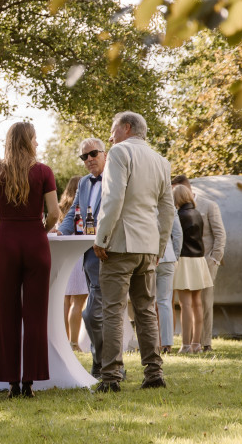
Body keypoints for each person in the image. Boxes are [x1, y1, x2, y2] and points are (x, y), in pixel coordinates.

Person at [93, 112, 175, 392]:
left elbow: (113, 198)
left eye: (113, 129)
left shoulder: (118, 152)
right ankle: (154, 373)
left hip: (121, 244)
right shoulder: (161, 161)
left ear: (127, 128)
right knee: (146, 310)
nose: (110, 136)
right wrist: (160, 246)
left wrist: (101, 238)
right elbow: (167, 210)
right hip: (148, 247)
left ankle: (111, 378)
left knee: (113, 311)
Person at [0, 122, 58, 398]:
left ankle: (11, 383)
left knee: (8, 312)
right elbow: (54, 213)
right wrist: (39, 229)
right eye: (35, 139)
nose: (37, 144)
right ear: (28, 141)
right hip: (35, 241)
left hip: (7, 240)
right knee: (36, 313)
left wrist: (9, 224)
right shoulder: (43, 171)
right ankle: (30, 382)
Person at [57, 138, 108, 378]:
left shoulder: (116, 178)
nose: (89, 159)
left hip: (112, 255)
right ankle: (107, 364)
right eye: (84, 156)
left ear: (104, 153)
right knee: (99, 314)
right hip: (89, 259)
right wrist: (60, 232)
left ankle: (104, 365)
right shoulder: (84, 184)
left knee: (93, 313)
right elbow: (72, 215)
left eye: (93, 154)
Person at [171, 175, 226, 352]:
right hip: (199, 260)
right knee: (198, 304)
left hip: (187, 261)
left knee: (186, 304)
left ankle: (186, 344)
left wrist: (215, 259)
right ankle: (197, 343)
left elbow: (177, 240)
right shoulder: (196, 213)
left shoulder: (181, 215)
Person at [57, 176, 88, 351]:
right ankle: (74, 343)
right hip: (79, 257)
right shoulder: (81, 208)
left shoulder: (62, 209)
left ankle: (65, 340)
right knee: (78, 302)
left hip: (65, 258)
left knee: (66, 301)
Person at [157, 214, 183, 354]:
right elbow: (178, 234)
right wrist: (175, 256)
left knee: (148, 303)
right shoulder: (169, 205)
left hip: (149, 256)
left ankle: (153, 342)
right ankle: (166, 344)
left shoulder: (145, 199)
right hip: (168, 257)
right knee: (165, 302)